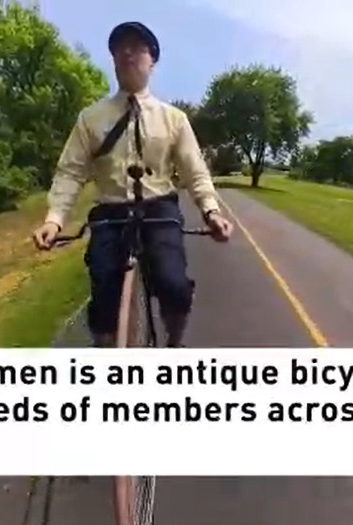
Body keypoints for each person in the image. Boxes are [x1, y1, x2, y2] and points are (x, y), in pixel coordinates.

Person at [32, 21, 233, 350]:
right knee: (103, 296)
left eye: (137, 47)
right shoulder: (90, 119)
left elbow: (195, 172)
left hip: (159, 209)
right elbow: (70, 172)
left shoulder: (174, 119)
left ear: (152, 60)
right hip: (111, 212)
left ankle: (174, 346)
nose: (127, 52)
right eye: (120, 47)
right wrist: (54, 220)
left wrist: (211, 213)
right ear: (112, 58)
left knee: (175, 286)